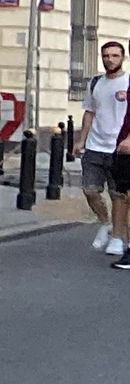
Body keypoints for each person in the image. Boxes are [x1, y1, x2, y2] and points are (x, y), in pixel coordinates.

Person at [84, 39, 130, 258]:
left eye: (114, 56)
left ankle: (119, 238)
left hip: (119, 147)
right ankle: (105, 223)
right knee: (90, 190)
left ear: (122, 58)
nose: (109, 60)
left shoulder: (128, 82)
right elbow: (89, 112)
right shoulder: (95, 83)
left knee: (118, 195)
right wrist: (80, 140)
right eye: (106, 56)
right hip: (95, 145)